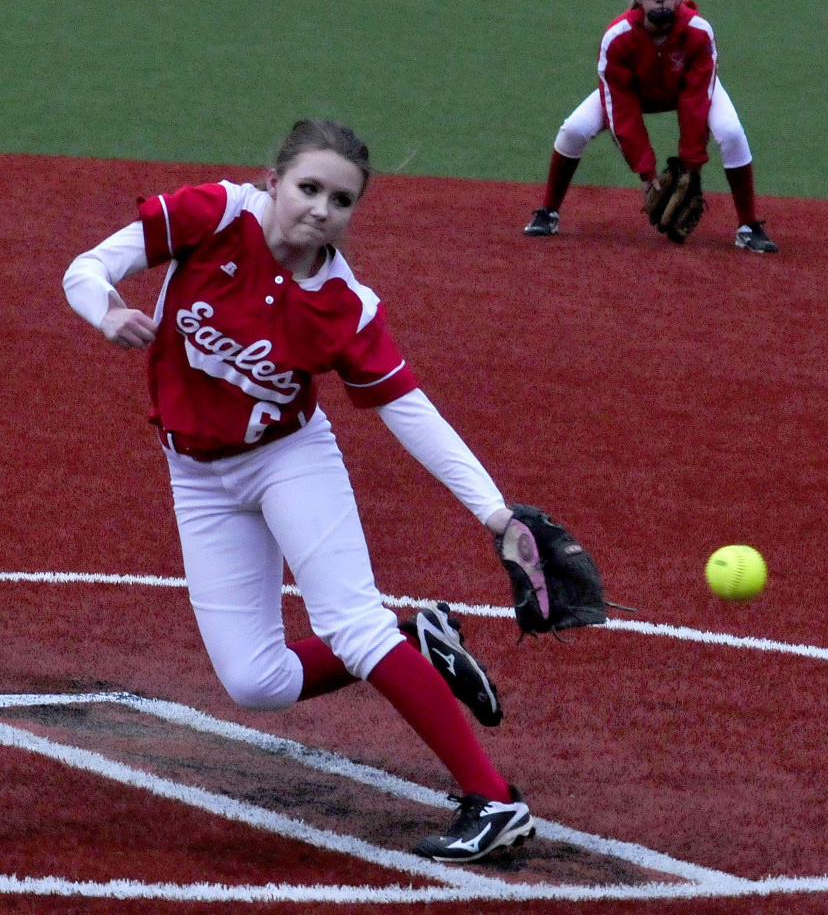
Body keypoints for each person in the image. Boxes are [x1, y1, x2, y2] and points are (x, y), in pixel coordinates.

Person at [63, 118, 537, 863]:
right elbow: (85, 268)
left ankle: (495, 799)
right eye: (309, 187)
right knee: (257, 681)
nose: (321, 207)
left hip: (288, 459)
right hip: (196, 473)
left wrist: (493, 510)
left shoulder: (343, 304)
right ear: (273, 180)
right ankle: (414, 642)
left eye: (340, 199)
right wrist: (107, 311)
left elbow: (409, 410)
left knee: (350, 621)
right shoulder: (215, 213)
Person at [524, 0, 778, 254]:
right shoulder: (616, 37)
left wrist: (690, 167)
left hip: (686, 89)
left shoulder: (699, 31)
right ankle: (548, 212)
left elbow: (695, 100)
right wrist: (646, 171)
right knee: (574, 129)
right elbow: (621, 108)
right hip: (634, 93)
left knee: (732, 132)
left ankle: (748, 226)